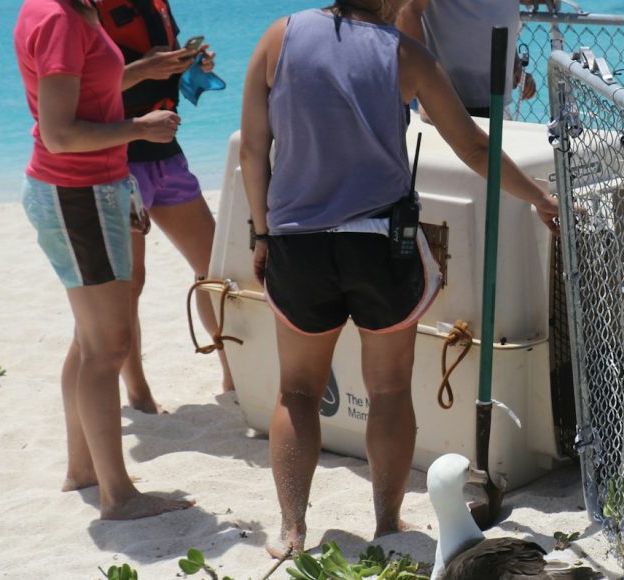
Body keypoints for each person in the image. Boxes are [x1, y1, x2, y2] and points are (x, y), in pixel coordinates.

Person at [240, 0, 559, 556]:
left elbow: (252, 148)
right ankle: (387, 523)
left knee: (296, 393)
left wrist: (262, 234)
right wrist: (538, 197)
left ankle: (292, 530)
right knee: (388, 392)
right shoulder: (407, 55)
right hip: (380, 245)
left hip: (298, 244)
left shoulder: (278, 37)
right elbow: (474, 147)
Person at [13, 0, 193, 519]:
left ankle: (83, 470)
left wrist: (142, 71)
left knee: (89, 341)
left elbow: (88, 87)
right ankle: (118, 495)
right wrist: (140, 128)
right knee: (106, 347)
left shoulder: (74, 10)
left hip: (89, 190)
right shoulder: (59, 17)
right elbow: (60, 133)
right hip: (77, 193)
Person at [96, 0, 234, 414]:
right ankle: (138, 394)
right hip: (117, 159)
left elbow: (161, 69)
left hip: (165, 154)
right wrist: (145, 69)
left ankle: (233, 372)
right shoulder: (87, 9)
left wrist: (190, 66)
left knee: (216, 267)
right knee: (130, 283)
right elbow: (80, 88)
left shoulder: (157, 4)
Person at [396, 0, 555, 120]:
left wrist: (514, 66)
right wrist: (425, 94)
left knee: (491, 160)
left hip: (497, 102)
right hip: (446, 102)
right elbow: (407, 9)